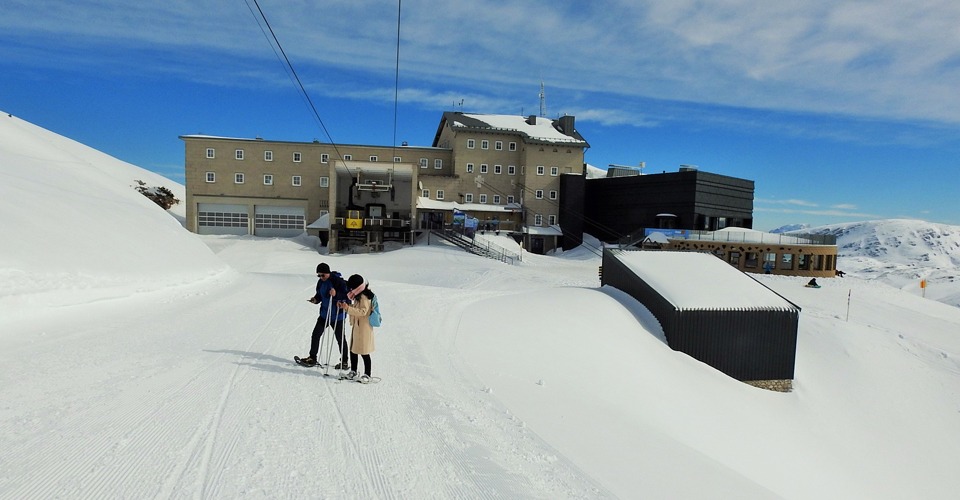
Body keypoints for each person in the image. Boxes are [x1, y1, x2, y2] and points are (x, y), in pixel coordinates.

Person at [298, 263, 350, 368]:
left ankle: (344, 361)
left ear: (328, 272)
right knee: (316, 334)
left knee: (340, 338)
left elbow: (347, 296)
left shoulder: (338, 281)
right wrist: (315, 299)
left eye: (323, 275)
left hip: (337, 316)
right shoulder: (321, 282)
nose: (321, 277)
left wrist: (336, 295)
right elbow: (319, 295)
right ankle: (312, 358)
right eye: (319, 275)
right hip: (324, 314)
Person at [338, 274, 376, 383]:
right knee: (353, 350)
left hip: (364, 328)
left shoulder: (364, 296)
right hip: (358, 326)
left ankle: (367, 374)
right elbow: (356, 308)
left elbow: (363, 312)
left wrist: (348, 308)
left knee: (364, 351)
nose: (350, 289)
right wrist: (346, 307)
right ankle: (353, 371)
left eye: (352, 287)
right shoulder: (358, 295)